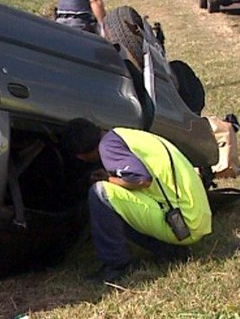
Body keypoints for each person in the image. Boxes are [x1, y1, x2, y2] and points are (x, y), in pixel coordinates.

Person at [60, 118, 212, 283]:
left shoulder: (108, 147)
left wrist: (107, 180)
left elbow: (142, 180)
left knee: (101, 193)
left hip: (184, 224)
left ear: (81, 156)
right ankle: (171, 250)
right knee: (117, 198)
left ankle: (116, 266)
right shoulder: (123, 135)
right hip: (194, 217)